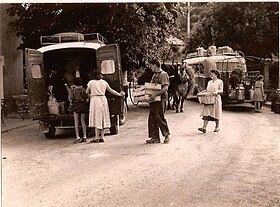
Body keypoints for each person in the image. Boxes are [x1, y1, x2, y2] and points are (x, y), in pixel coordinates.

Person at [86, 70, 125, 143]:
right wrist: (119, 94)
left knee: (96, 117)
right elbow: (111, 91)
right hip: (103, 99)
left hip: (95, 100)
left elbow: (86, 92)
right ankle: (102, 137)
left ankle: (96, 137)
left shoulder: (91, 82)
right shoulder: (104, 82)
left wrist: (90, 95)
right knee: (103, 117)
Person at [146, 59, 171, 144]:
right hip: (154, 100)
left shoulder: (163, 74)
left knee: (159, 117)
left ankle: (167, 135)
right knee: (152, 118)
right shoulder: (154, 75)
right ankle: (155, 138)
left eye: (151, 65)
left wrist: (155, 94)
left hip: (161, 99)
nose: (150, 67)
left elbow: (165, 88)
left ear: (155, 65)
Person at [72, 77, 88, 143]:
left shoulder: (73, 90)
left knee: (76, 121)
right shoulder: (84, 90)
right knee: (83, 121)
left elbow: (71, 98)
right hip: (83, 105)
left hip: (76, 105)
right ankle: (84, 136)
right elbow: (87, 99)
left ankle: (77, 137)